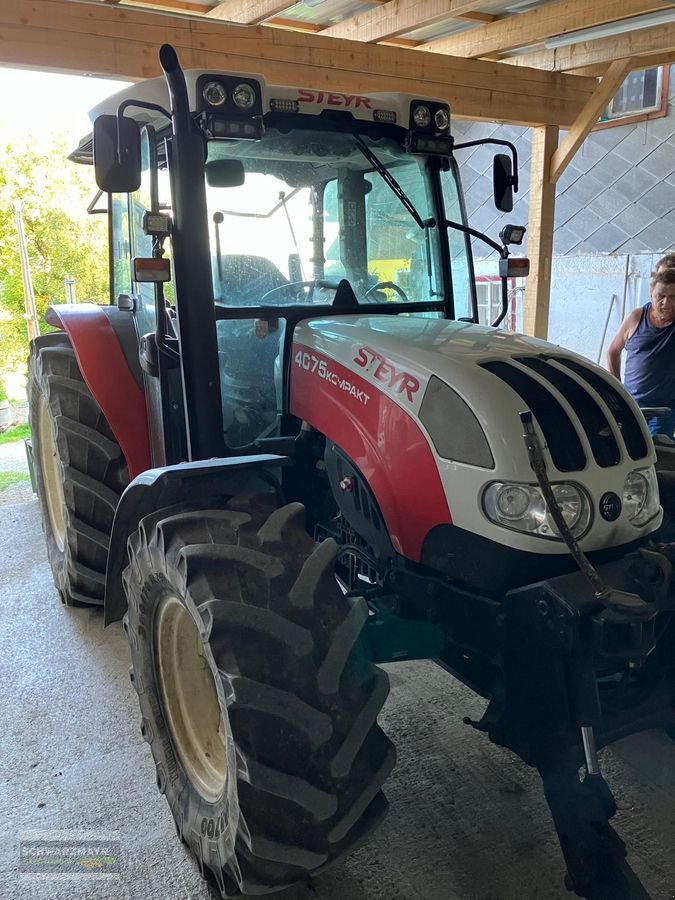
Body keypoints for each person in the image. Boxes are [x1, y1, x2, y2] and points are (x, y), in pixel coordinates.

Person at [607, 266, 675, 436]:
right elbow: (613, 351)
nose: (666, 303)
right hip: (632, 406)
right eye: (661, 296)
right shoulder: (636, 317)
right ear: (651, 295)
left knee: (659, 456)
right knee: (629, 450)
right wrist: (617, 389)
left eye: (673, 297)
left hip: (664, 410)